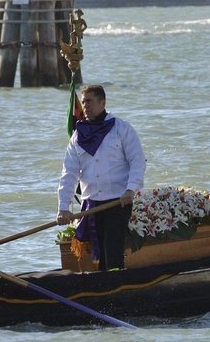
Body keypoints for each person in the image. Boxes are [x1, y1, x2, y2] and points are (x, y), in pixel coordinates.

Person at [56, 85, 146, 271]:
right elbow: (69, 173)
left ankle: (115, 288)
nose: (85, 106)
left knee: (112, 251)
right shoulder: (78, 136)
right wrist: (64, 207)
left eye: (89, 101)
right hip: (91, 205)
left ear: (102, 102)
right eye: (83, 101)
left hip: (118, 201)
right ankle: (104, 289)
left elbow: (137, 161)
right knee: (97, 255)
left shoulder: (121, 128)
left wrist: (131, 189)